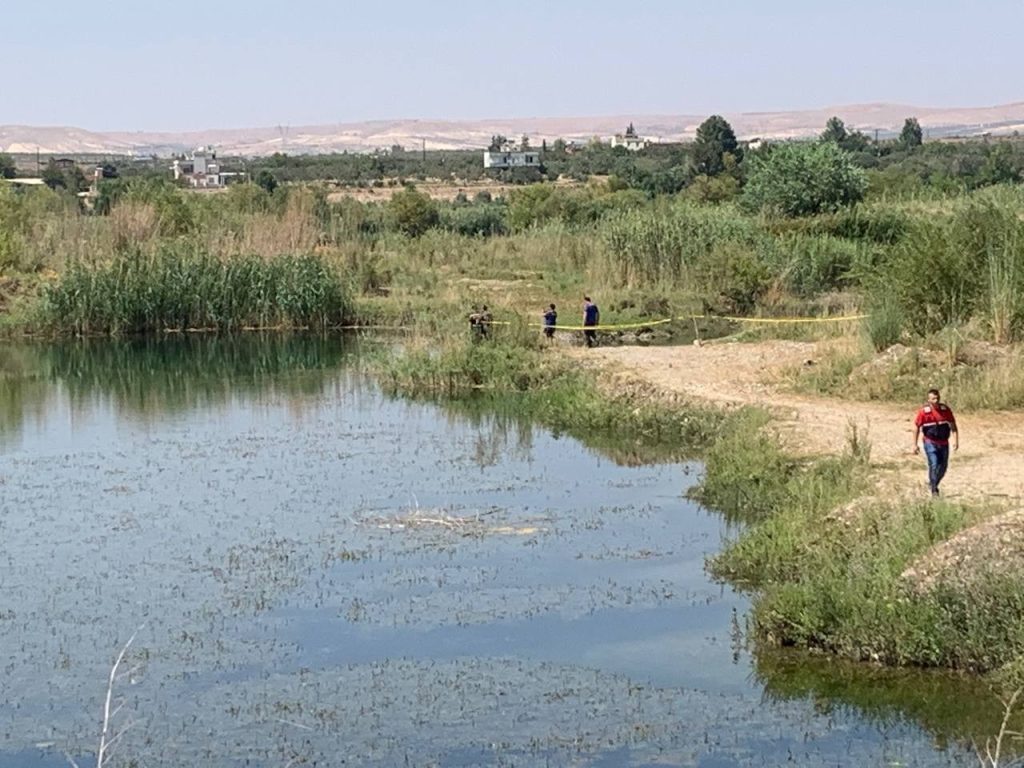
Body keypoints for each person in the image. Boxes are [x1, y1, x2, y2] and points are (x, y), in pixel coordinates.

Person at [912, 388, 958, 497]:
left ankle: (933, 483)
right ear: (929, 400)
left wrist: (956, 441)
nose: (936, 401)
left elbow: (953, 426)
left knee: (943, 467)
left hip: (944, 443)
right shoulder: (924, 412)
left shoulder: (945, 410)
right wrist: (914, 444)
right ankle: (934, 490)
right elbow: (916, 427)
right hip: (930, 442)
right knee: (934, 464)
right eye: (933, 399)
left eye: (937, 398)